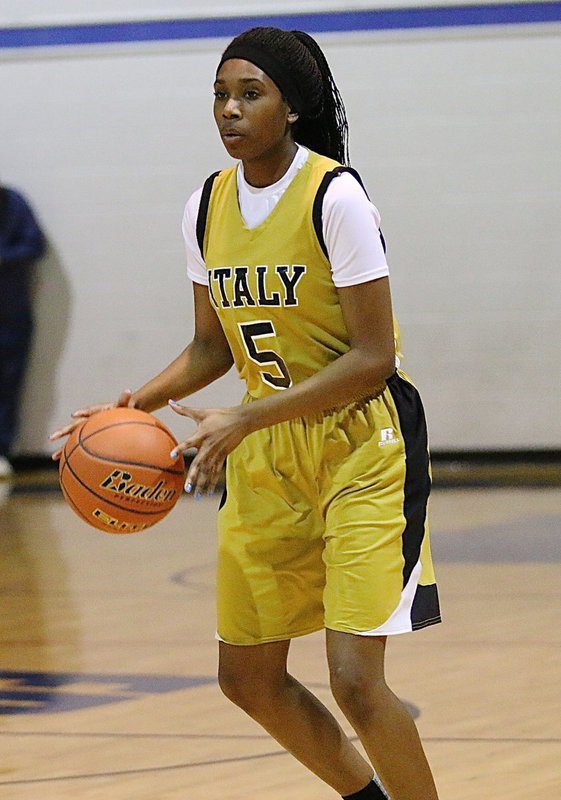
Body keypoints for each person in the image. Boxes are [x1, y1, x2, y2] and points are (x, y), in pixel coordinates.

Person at [51, 27, 441, 800]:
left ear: (291, 107)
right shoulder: (207, 205)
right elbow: (209, 347)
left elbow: (373, 358)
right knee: (247, 678)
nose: (229, 110)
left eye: (249, 94)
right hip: (266, 451)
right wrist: (130, 407)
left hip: (364, 446)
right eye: (220, 96)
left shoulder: (335, 196)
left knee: (355, 682)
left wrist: (243, 420)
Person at [0, 184, 45, 477]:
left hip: (10, 317)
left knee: (7, 386)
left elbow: (35, 245)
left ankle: (1, 450)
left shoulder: (13, 203)